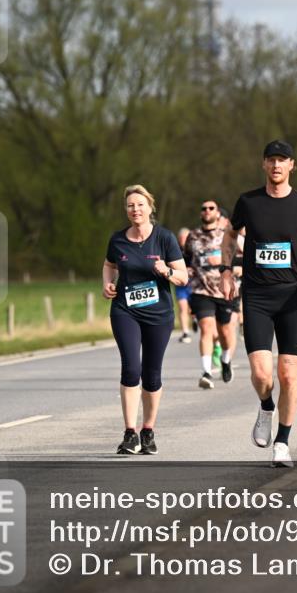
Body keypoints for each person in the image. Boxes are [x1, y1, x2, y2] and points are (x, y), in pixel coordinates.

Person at [220, 140, 297, 468]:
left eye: (282, 160)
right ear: (263, 164)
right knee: (261, 374)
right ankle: (266, 405)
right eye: (271, 160)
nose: (276, 165)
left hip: (291, 297)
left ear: (292, 165)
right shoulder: (248, 202)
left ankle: (282, 443)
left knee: (288, 375)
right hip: (256, 296)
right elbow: (230, 235)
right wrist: (226, 271)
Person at [103, 185, 188, 455]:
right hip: (125, 310)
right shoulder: (118, 240)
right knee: (131, 369)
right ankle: (130, 433)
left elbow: (183, 277)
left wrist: (167, 272)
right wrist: (107, 284)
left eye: (140, 204)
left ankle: (148, 431)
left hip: (158, 314)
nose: (135, 209)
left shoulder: (165, 238)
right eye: (130, 205)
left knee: (152, 375)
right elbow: (109, 264)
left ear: (150, 208)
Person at [185, 199, 240, 390]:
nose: (207, 211)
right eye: (204, 208)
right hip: (200, 289)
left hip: (224, 290)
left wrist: (235, 269)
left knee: (225, 332)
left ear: (217, 213)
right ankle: (206, 372)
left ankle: (225, 360)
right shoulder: (193, 236)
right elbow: (186, 259)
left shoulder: (228, 234)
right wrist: (187, 270)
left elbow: (244, 257)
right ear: (201, 213)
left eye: (211, 208)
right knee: (206, 328)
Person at [175, 227, 194, 343]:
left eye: (186, 238)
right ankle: (185, 332)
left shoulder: (194, 249)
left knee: (193, 309)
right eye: (181, 238)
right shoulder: (175, 250)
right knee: (183, 307)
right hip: (181, 284)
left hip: (194, 283)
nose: (184, 240)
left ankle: (194, 318)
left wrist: (192, 270)